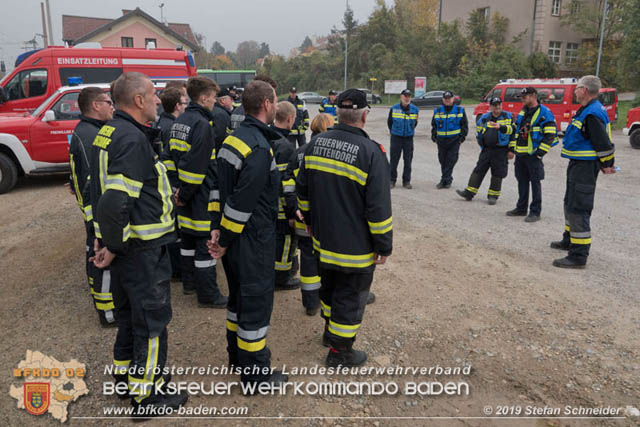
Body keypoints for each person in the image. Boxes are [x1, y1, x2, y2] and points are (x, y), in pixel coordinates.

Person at [89, 72, 187, 415]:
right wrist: (113, 244)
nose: (159, 101)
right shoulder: (131, 139)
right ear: (139, 100)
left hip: (129, 247)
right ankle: (149, 396)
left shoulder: (110, 131)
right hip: (142, 250)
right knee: (152, 322)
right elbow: (115, 202)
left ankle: (124, 379)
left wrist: (105, 239)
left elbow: (97, 192)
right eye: (153, 95)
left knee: (131, 317)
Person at [296, 89, 392, 367]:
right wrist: (383, 244)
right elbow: (378, 209)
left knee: (329, 290)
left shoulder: (315, 145)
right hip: (355, 247)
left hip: (323, 240)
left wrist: (311, 223)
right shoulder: (372, 152)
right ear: (364, 114)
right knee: (350, 297)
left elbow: (303, 192)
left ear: (338, 113)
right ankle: (340, 352)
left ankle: (330, 333)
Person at [209, 79, 288, 388]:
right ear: (267, 104)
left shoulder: (232, 140)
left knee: (238, 300)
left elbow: (218, 190)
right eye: (276, 100)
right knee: (255, 306)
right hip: (251, 240)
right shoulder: (257, 147)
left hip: (235, 238)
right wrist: (225, 240)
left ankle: (236, 356)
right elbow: (242, 204)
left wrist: (217, 229)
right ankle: (255, 376)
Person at [168, 77, 227, 308]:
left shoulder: (180, 120)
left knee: (187, 241)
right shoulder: (202, 124)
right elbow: (197, 167)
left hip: (183, 193)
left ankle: (189, 284)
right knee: (204, 244)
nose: (214, 101)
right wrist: (185, 194)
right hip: (198, 194)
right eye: (213, 97)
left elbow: (170, 158)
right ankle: (208, 295)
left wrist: (177, 191)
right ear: (203, 98)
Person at [551, 75, 616, 269]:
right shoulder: (587, 110)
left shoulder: (592, 113)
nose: (575, 91)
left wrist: (607, 163)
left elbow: (603, 144)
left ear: (585, 90)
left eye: (577, 87)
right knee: (570, 202)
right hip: (578, 164)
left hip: (586, 167)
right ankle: (569, 240)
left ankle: (578, 255)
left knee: (579, 207)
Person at [68, 86, 115, 327]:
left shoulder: (89, 130)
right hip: (95, 213)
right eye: (107, 102)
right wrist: (97, 221)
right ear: (95, 106)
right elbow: (91, 182)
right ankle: (107, 313)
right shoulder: (89, 136)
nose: (111, 106)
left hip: (94, 211)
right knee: (99, 256)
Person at [506, 87, 558, 222]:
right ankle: (521, 208)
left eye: (525, 96)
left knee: (535, 183)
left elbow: (550, 134)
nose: (522, 99)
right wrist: (501, 128)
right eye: (521, 97)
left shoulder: (544, 112)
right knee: (522, 181)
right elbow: (516, 129)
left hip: (534, 155)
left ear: (533, 96)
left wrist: (540, 153)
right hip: (521, 154)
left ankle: (535, 212)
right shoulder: (523, 112)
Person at [456, 97, 515, 204]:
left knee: (497, 173)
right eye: (495, 105)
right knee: (478, 170)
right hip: (487, 149)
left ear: (502, 105)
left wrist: (511, 150)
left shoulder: (509, 117)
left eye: (499, 104)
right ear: (491, 106)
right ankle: (469, 193)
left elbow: (514, 135)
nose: (497, 107)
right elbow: (479, 134)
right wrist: (483, 146)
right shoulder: (484, 118)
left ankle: (493, 196)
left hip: (501, 150)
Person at [271, 101, 302, 290]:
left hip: (266, 205)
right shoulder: (287, 147)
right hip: (282, 207)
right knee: (286, 241)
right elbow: (287, 184)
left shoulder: (267, 137)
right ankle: (282, 278)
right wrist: (291, 211)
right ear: (290, 118)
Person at [431, 91, 468, 189]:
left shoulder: (459, 110)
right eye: (445, 98)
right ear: (443, 99)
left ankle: (444, 180)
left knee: (451, 160)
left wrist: (462, 138)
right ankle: (447, 179)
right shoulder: (438, 110)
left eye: (449, 98)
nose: (447, 100)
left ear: (453, 99)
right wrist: (434, 136)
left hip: (454, 140)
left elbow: (464, 125)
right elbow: (434, 125)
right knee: (442, 160)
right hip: (441, 140)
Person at [388, 89, 419, 189]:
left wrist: (409, 130)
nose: (407, 98)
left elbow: (415, 123)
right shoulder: (394, 108)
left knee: (408, 160)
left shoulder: (415, 109)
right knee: (394, 160)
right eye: (405, 96)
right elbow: (390, 123)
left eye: (409, 96)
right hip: (396, 137)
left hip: (408, 138)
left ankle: (406, 181)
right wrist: (395, 131)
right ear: (401, 97)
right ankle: (392, 180)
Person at [157, 88, 188, 153]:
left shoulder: (161, 122)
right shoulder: (172, 127)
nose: (187, 106)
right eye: (185, 103)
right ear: (177, 106)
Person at [212, 87, 234, 152]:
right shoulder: (221, 115)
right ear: (223, 100)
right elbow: (219, 139)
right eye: (230, 99)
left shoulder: (214, 111)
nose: (232, 101)